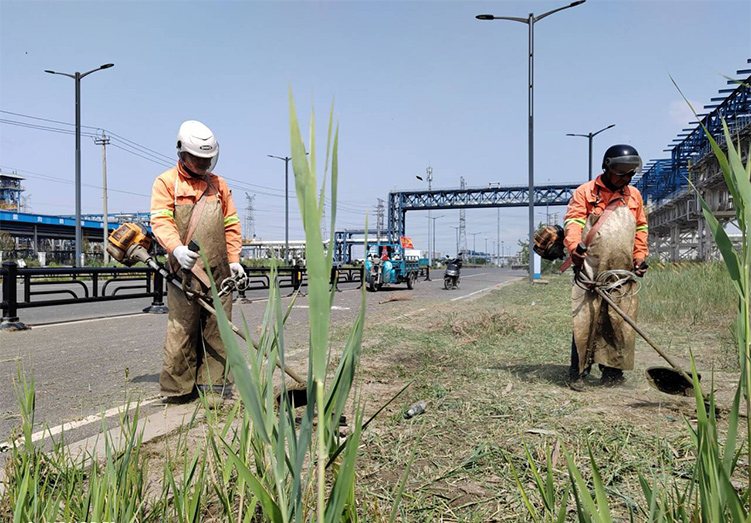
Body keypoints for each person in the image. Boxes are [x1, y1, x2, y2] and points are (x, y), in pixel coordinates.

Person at [150, 120, 244, 406]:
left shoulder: (219, 185)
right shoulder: (167, 182)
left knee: (218, 329)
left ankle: (213, 387)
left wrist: (234, 260)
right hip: (184, 272)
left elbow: (231, 224)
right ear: (181, 152)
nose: (204, 164)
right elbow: (161, 220)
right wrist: (176, 249)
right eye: (198, 158)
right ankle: (179, 390)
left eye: (208, 158)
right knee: (182, 330)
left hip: (220, 273)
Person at [562, 144, 649, 391]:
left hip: (621, 273)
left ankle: (612, 374)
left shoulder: (634, 196)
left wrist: (640, 256)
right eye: (621, 171)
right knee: (586, 320)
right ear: (607, 167)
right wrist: (574, 246)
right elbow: (574, 221)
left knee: (618, 323)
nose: (626, 177)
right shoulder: (586, 192)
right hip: (591, 268)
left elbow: (641, 228)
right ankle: (578, 373)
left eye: (630, 172)